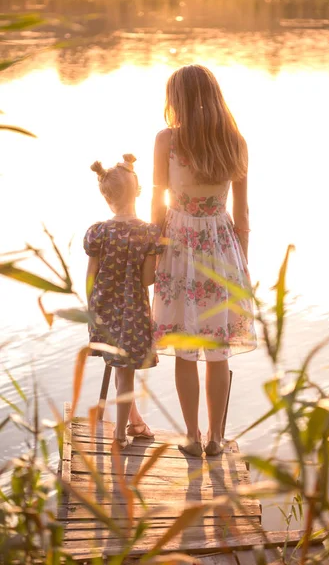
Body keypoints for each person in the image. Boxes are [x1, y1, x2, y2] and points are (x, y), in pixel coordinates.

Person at [151, 64, 257, 458]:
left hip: (179, 247)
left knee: (184, 345)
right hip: (222, 249)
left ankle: (192, 438)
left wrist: (154, 251)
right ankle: (216, 438)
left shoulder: (167, 140)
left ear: (177, 99)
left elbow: (156, 205)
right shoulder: (236, 142)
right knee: (218, 349)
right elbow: (243, 216)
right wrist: (241, 265)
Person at [84, 154, 162, 450]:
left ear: (106, 197)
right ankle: (119, 435)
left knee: (121, 370)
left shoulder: (99, 232)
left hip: (103, 309)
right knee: (125, 375)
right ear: (137, 191)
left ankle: (135, 423)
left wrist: (91, 310)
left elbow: (91, 275)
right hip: (132, 312)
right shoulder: (147, 232)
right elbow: (146, 280)